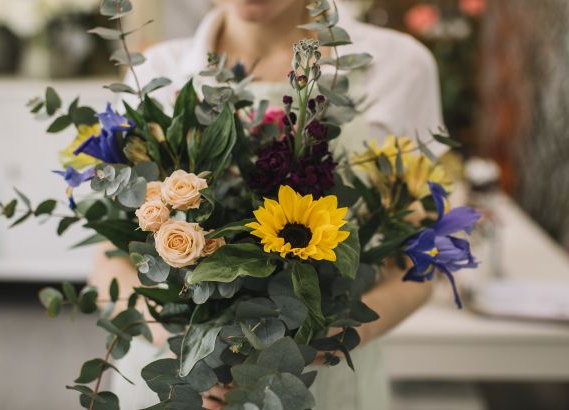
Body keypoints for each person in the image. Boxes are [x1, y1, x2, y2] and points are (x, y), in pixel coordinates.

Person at [90, 0, 444, 408]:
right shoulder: (155, 71)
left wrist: (332, 340)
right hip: (175, 382)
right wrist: (190, 353)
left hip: (318, 383)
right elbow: (110, 257)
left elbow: (421, 255)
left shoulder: (398, 66)